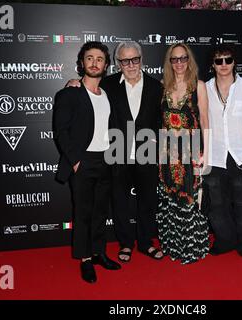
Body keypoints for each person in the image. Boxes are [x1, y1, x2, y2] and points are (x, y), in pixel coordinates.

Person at [67, 41, 164, 263]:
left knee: (147, 201)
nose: (130, 65)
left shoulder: (157, 86)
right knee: (119, 201)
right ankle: (126, 243)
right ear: (118, 63)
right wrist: (73, 83)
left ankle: (146, 242)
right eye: (124, 60)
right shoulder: (108, 85)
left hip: (147, 152)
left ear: (141, 59)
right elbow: (87, 91)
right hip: (117, 152)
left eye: (135, 59)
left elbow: (161, 120)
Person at [53, 41, 121, 284]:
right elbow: (61, 131)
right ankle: (85, 260)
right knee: (83, 213)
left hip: (106, 160)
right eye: (89, 58)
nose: (94, 63)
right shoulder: (69, 93)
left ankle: (99, 252)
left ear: (106, 65)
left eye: (100, 59)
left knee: (101, 211)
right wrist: (75, 161)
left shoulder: (108, 94)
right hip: (83, 162)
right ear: (82, 63)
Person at [204, 44, 242, 262]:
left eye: (228, 60)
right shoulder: (205, 89)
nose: (224, 65)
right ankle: (225, 241)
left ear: (234, 62)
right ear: (212, 65)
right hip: (214, 156)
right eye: (219, 61)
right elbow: (203, 122)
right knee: (217, 206)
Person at [157, 43, 210, 264]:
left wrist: (205, 152)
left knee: (189, 197)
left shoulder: (198, 86)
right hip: (166, 152)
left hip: (191, 151)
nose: (179, 63)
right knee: (169, 197)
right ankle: (171, 245)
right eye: (174, 59)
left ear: (189, 60)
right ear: (169, 62)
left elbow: (205, 120)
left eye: (183, 58)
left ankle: (191, 248)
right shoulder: (162, 86)